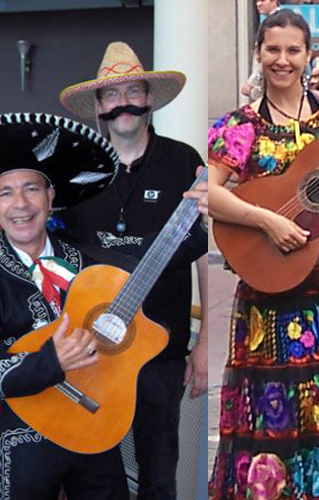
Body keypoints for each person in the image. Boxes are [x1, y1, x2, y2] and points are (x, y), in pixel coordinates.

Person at [207, 9, 319, 499]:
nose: (283, 60)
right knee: (278, 403)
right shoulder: (240, 125)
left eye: (293, 50)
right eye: (273, 50)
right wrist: (269, 220)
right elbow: (212, 193)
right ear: (259, 53)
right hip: (275, 282)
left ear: (310, 55)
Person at [0, 113, 129, 498]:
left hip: (95, 420)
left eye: (31, 188)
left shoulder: (90, 264)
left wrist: (197, 218)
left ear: (50, 197)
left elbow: (155, 256)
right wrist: (52, 362)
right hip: (23, 434)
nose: (21, 204)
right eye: (5, 193)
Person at [58, 41, 207, 498]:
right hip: (88, 349)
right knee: (93, 475)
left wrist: (206, 348)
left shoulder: (186, 162)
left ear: (149, 99)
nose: (123, 102)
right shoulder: (75, 170)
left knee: (159, 475)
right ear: (98, 107)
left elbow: (203, 254)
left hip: (160, 351)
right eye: (112, 94)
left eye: (133, 91)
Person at [240, 0, 282, 102]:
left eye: (263, 0)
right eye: (257, 1)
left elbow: (268, 57)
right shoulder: (268, 21)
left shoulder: (276, 23)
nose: (258, 4)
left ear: (274, 2)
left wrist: (251, 83)